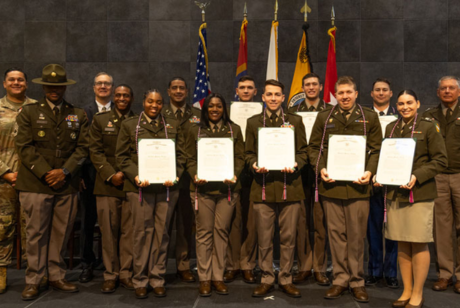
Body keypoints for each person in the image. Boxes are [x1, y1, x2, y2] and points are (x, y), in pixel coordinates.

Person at [15, 64, 89, 300]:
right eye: (50, 85)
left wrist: (65, 171)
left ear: (64, 87)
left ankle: (56, 276)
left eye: (59, 86)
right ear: (44, 86)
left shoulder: (77, 114)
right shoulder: (28, 112)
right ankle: (34, 279)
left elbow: (83, 148)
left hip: (66, 184)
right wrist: (48, 173)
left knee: (61, 231)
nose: (54, 89)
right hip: (36, 183)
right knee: (35, 232)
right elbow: (24, 148)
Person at [308, 76, 382, 303]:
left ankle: (357, 281)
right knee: (336, 236)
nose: (345, 96)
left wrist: (370, 172)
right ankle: (340, 279)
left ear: (356, 93)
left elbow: (377, 149)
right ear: (335, 95)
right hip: (332, 187)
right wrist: (320, 169)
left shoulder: (369, 117)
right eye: (340, 93)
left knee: (357, 237)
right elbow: (313, 148)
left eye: (349, 92)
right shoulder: (325, 116)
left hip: (359, 188)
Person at [377, 89, 447, 308]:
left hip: (419, 194)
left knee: (418, 243)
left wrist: (417, 175)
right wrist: (381, 174)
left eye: (409, 102)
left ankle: (418, 293)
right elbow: (386, 157)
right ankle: (406, 290)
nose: (404, 107)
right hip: (396, 194)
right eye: (400, 103)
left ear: (418, 103)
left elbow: (440, 160)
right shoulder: (391, 128)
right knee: (402, 243)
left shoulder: (428, 126)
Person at [116, 89, 185, 299]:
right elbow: (121, 157)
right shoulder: (130, 125)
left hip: (166, 189)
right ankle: (140, 279)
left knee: (162, 234)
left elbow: (181, 156)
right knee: (141, 234)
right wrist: (135, 175)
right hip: (139, 188)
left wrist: (175, 175)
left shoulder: (172, 125)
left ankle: (157, 278)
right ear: (143, 102)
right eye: (149, 101)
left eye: (158, 102)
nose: (154, 105)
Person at [245, 79, 307, 298]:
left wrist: (297, 163)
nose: (272, 98)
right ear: (262, 97)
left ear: (283, 98)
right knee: (264, 238)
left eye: (277, 94)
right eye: (269, 94)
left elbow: (303, 152)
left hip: (289, 187)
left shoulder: (295, 121)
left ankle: (286, 278)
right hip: (262, 188)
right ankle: (267, 278)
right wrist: (253, 164)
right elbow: (248, 153)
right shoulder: (253, 122)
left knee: (289, 239)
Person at [185, 93, 244, 296]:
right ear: (205, 109)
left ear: (224, 108)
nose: (215, 109)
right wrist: (195, 174)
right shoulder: (195, 129)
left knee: (221, 232)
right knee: (203, 234)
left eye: (219, 106)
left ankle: (217, 277)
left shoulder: (233, 129)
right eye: (211, 106)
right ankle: (204, 278)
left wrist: (234, 173)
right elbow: (189, 158)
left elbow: (240, 157)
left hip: (227, 190)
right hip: (202, 190)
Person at [89, 84, 136, 293]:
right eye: (118, 95)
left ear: (132, 98)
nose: (122, 98)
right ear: (113, 98)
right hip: (107, 184)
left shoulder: (139, 121)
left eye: (126, 95)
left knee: (129, 232)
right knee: (108, 232)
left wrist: (128, 174)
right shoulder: (100, 120)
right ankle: (110, 274)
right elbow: (95, 151)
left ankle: (126, 273)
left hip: (132, 184)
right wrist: (110, 174)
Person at [287, 72, 330, 286]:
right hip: (299, 171)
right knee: (301, 222)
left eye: (314, 84)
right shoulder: (291, 112)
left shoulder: (331, 111)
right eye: (307, 85)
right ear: (302, 88)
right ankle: (304, 266)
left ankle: (319, 268)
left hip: (324, 171)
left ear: (321, 87)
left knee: (321, 222)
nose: (311, 87)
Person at [0, 68, 37, 294]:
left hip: (31, 179)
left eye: (20, 79)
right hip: (3, 181)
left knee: (31, 227)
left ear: (26, 83)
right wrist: (5, 172)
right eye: (12, 80)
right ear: (4, 83)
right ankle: (1, 271)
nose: (16, 83)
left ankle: (32, 274)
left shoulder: (35, 108)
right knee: (2, 226)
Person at [423, 76, 460, 294]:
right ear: (438, 92)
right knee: (442, 229)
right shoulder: (428, 116)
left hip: (459, 175)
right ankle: (445, 274)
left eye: (451, 88)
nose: (447, 91)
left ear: (458, 91)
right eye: (443, 88)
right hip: (437, 177)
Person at [162, 77, 200, 283]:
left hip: (189, 179)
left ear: (187, 92)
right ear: (168, 91)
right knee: (163, 225)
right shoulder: (160, 113)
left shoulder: (197, 115)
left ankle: (183, 265)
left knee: (186, 225)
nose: (178, 91)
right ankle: (159, 266)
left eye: (182, 88)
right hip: (165, 178)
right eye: (174, 88)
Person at [80, 72, 115, 283]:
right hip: (89, 176)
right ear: (93, 87)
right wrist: (79, 175)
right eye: (99, 83)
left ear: (112, 87)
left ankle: (109, 262)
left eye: (107, 84)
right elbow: (80, 146)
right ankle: (87, 264)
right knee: (88, 221)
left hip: (112, 177)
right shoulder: (83, 112)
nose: (103, 86)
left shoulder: (122, 111)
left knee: (111, 223)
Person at [224, 76, 258, 284]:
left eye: (250, 88)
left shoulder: (263, 115)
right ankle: (232, 264)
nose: (246, 91)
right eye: (242, 88)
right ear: (236, 91)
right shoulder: (226, 113)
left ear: (256, 92)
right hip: (232, 172)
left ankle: (248, 264)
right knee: (233, 222)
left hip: (256, 172)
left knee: (252, 223)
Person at [366, 78, 399, 288]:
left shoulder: (401, 116)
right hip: (371, 179)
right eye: (377, 89)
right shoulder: (365, 117)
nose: (380, 93)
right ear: (371, 93)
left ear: (390, 93)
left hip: (396, 179)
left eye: (384, 90)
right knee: (373, 228)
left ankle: (392, 272)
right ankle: (375, 271)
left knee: (394, 229)